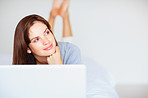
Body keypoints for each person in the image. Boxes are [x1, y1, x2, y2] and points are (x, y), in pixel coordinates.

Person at [12, 0, 80, 64]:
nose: (46, 42)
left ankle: (59, 15)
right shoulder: (23, 68)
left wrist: (58, 67)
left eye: (47, 33)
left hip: (65, 50)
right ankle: (58, 15)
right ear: (27, 48)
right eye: (36, 40)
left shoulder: (70, 51)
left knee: (67, 47)